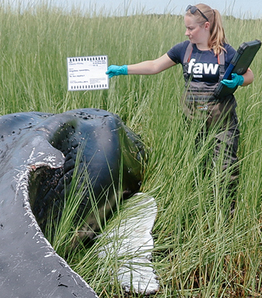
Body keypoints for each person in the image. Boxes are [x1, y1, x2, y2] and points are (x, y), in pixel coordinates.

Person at [106, 4, 253, 195]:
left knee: (225, 169)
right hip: (193, 122)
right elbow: (154, 66)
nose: (186, 33)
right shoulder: (184, 50)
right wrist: (123, 69)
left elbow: (249, 75)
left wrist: (240, 80)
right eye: (186, 28)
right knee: (198, 167)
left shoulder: (225, 52)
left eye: (191, 28)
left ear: (206, 26)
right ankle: (202, 208)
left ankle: (226, 214)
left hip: (222, 123)